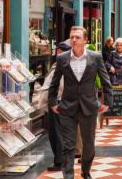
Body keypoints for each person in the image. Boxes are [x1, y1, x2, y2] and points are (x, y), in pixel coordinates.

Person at [48, 26, 112, 179]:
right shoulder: (62, 58)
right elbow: (54, 83)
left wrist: (107, 101)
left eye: (77, 37)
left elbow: (105, 80)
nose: (74, 40)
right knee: (68, 145)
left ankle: (85, 171)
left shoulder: (95, 57)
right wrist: (52, 103)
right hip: (67, 108)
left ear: (85, 40)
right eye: (72, 37)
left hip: (89, 106)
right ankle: (68, 175)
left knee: (88, 145)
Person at [43, 40, 72, 171]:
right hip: (61, 102)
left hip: (57, 103)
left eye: (58, 50)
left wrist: (54, 101)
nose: (57, 52)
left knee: (56, 133)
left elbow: (59, 85)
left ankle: (59, 161)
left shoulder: (61, 65)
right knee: (60, 133)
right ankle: (61, 160)